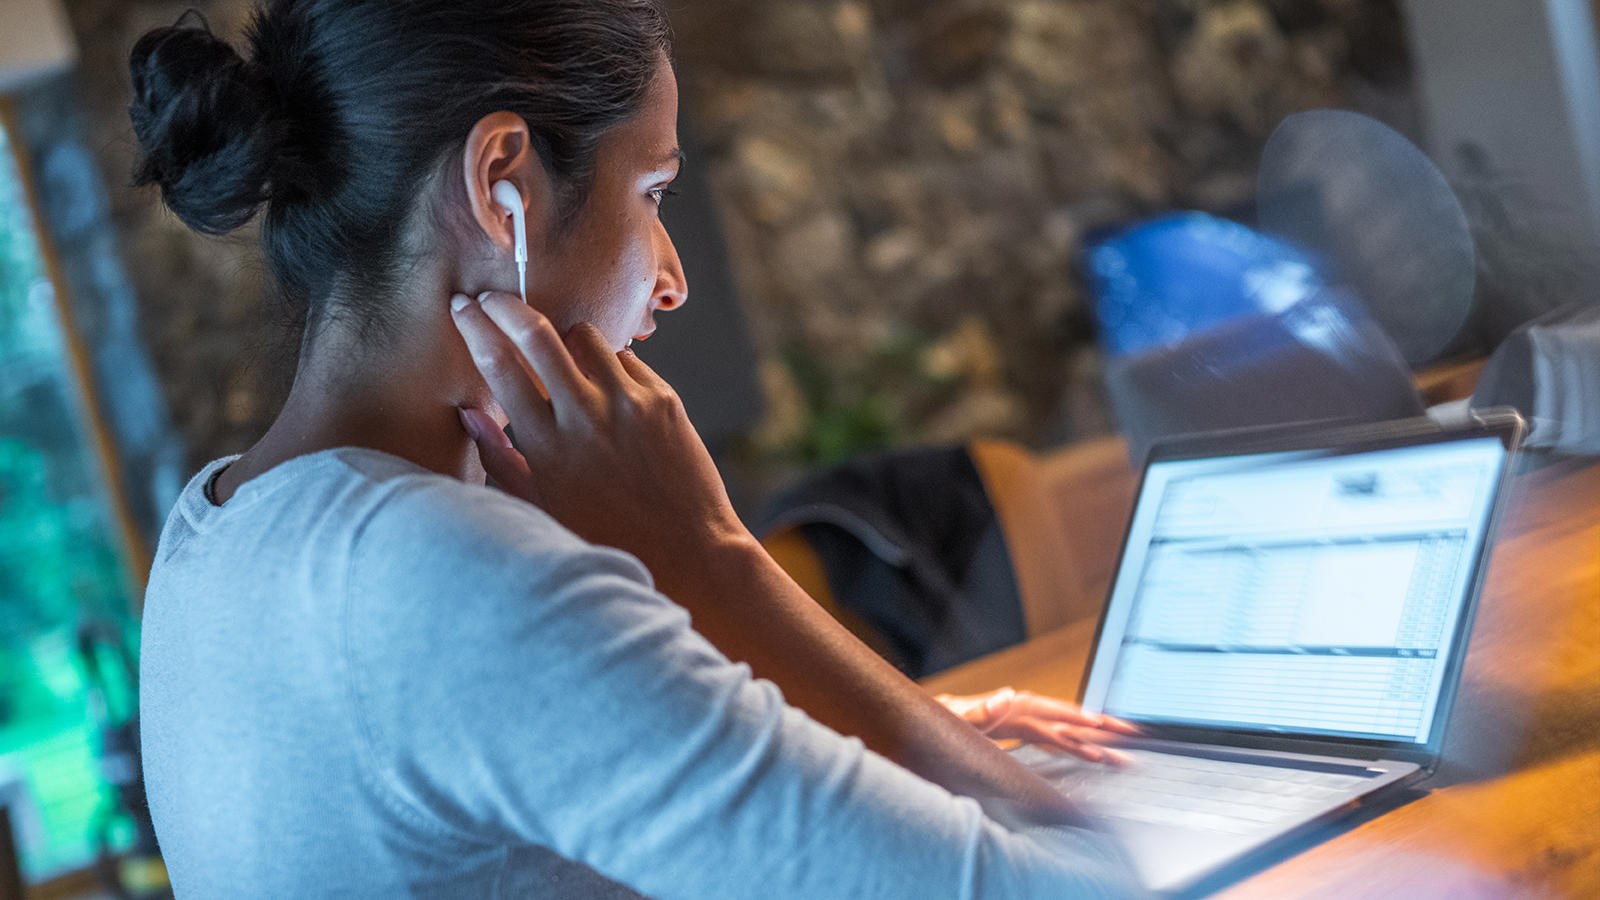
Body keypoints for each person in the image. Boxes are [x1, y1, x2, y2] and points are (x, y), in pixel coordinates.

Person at [129, 1, 1143, 896]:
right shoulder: (444, 575)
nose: (671, 282)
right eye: (652, 193)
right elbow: (1088, 884)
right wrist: (710, 559)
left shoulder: (211, 537)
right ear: (501, 185)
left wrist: (859, 751)